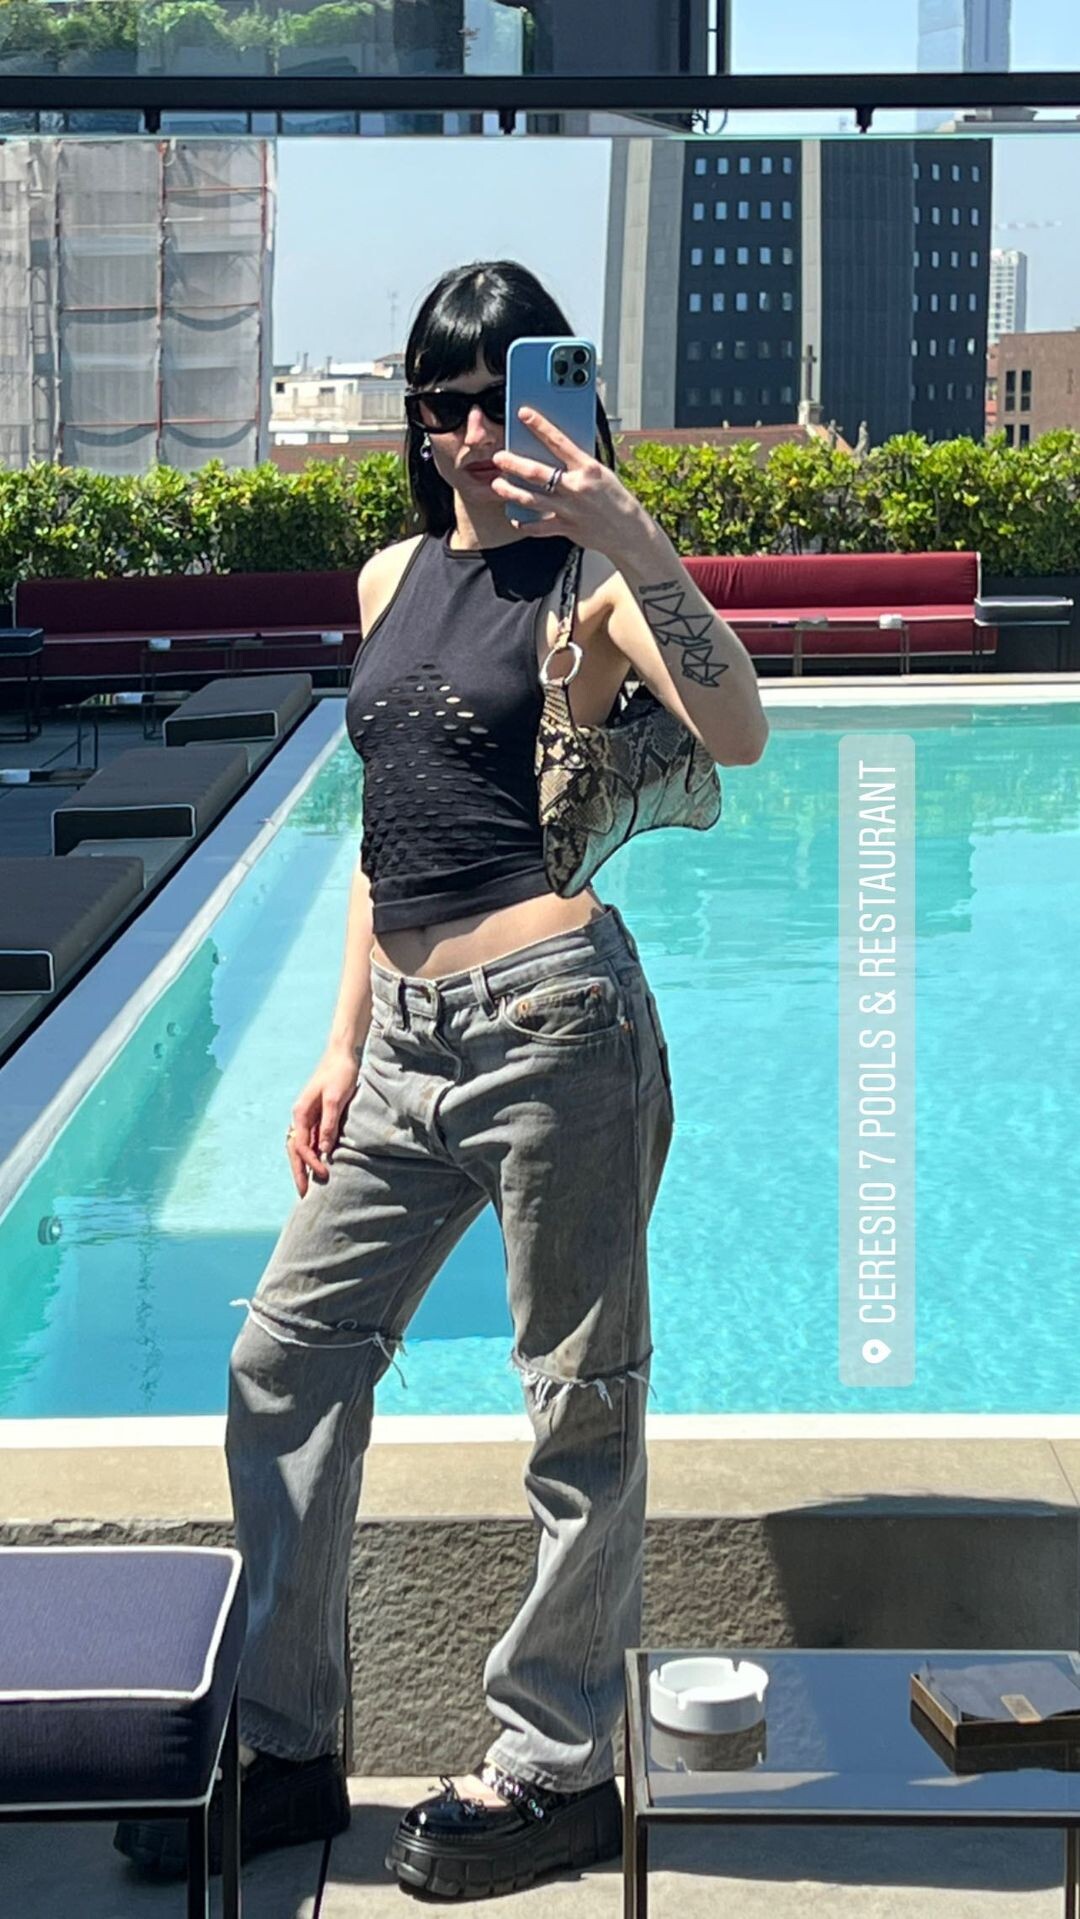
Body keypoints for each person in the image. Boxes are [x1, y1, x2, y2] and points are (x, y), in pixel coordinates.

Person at [115, 259, 768, 1898]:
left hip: (559, 1030)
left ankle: (555, 1767)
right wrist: (339, 1043)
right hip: (404, 1043)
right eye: (447, 401)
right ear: (416, 415)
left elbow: (740, 729)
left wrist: (632, 532)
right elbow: (382, 828)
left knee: (577, 1405)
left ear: (559, 401)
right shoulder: (390, 574)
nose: (477, 431)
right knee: (284, 1359)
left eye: (504, 396)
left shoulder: (589, 583)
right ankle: (288, 1746)